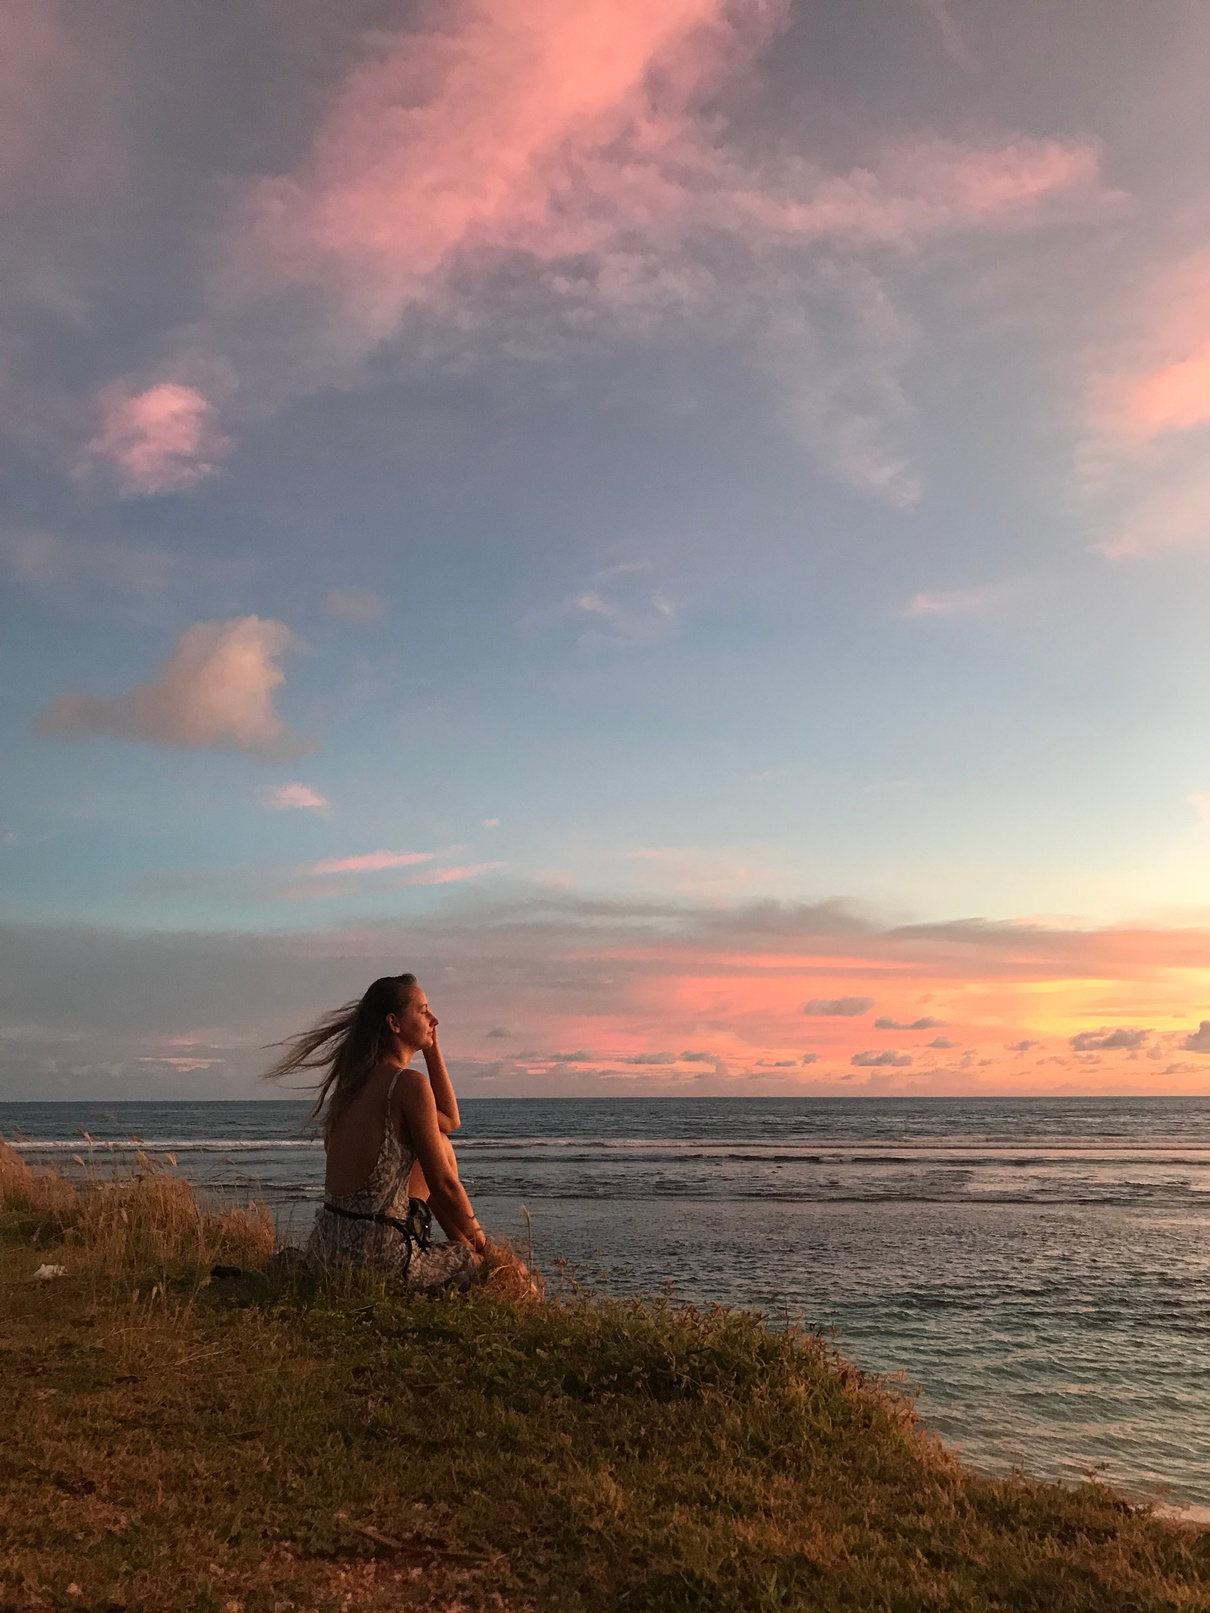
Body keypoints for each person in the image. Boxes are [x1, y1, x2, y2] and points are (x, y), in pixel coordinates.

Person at [264, 973, 487, 1291]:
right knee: (468, 1259)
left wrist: (431, 1047)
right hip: (380, 1259)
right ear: (394, 1023)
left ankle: (467, 1250)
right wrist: (482, 1242)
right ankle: (478, 1256)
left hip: (329, 1252)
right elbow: (444, 1183)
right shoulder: (408, 1084)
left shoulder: (352, 1085)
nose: (434, 1019)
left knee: (440, 1144)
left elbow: (449, 1120)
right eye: (424, 1011)